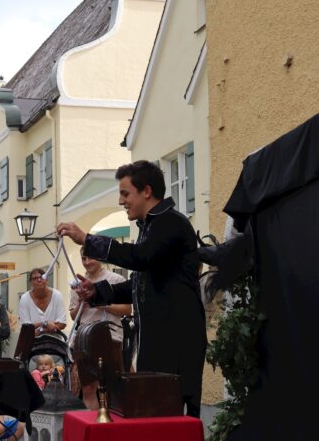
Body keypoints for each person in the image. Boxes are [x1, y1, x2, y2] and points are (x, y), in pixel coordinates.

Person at [59, 160, 206, 417]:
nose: (121, 201)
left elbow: (140, 257)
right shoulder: (151, 226)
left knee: (173, 419)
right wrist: (96, 292)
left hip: (177, 340)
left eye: (125, 193)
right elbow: (139, 283)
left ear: (146, 191)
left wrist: (88, 240)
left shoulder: (170, 223)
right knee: (155, 415)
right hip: (160, 339)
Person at [68, 254, 131, 408]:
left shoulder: (115, 279)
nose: (87, 262)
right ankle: (93, 422)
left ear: (100, 258)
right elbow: (73, 316)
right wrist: (82, 303)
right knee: (88, 388)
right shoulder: (78, 284)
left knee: (112, 388)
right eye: (83, 258)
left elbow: (127, 310)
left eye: (91, 258)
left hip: (111, 336)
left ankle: (111, 422)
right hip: (85, 338)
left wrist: (101, 303)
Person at [17, 267, 67, 337]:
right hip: (33, 342)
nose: (39, 280)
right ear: (31, 283)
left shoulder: (57, 295)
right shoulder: (24, 298)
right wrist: (45, 324)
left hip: (55, 341)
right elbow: (26, 327)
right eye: (35, 278)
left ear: (47, 280)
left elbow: (62, 323)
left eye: (42, 277)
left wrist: (40, 329)